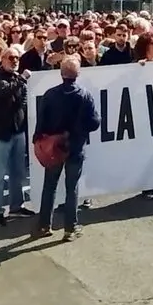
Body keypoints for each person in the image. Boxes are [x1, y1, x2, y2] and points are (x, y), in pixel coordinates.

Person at [33, 55, 101, 240]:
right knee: (72, 188)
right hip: (75, 146)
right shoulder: (85, 95)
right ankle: (70, 228)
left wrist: (39, 140)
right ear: (78, 74)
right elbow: (95, 123)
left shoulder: (49, 94)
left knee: (50, 185)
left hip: (54, 147)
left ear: (61, 73)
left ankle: (44, 225)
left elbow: (41, 121)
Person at [0, 45, 30, 226]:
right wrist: (22, 78)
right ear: (2, 60)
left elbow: (23, 101)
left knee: (17, 172)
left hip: (18, 130)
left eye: (16, 58)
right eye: (10, 58)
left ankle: (16, 206)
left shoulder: (17, 79)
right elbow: (5, 91)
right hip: (0, 133)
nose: (14, 61)